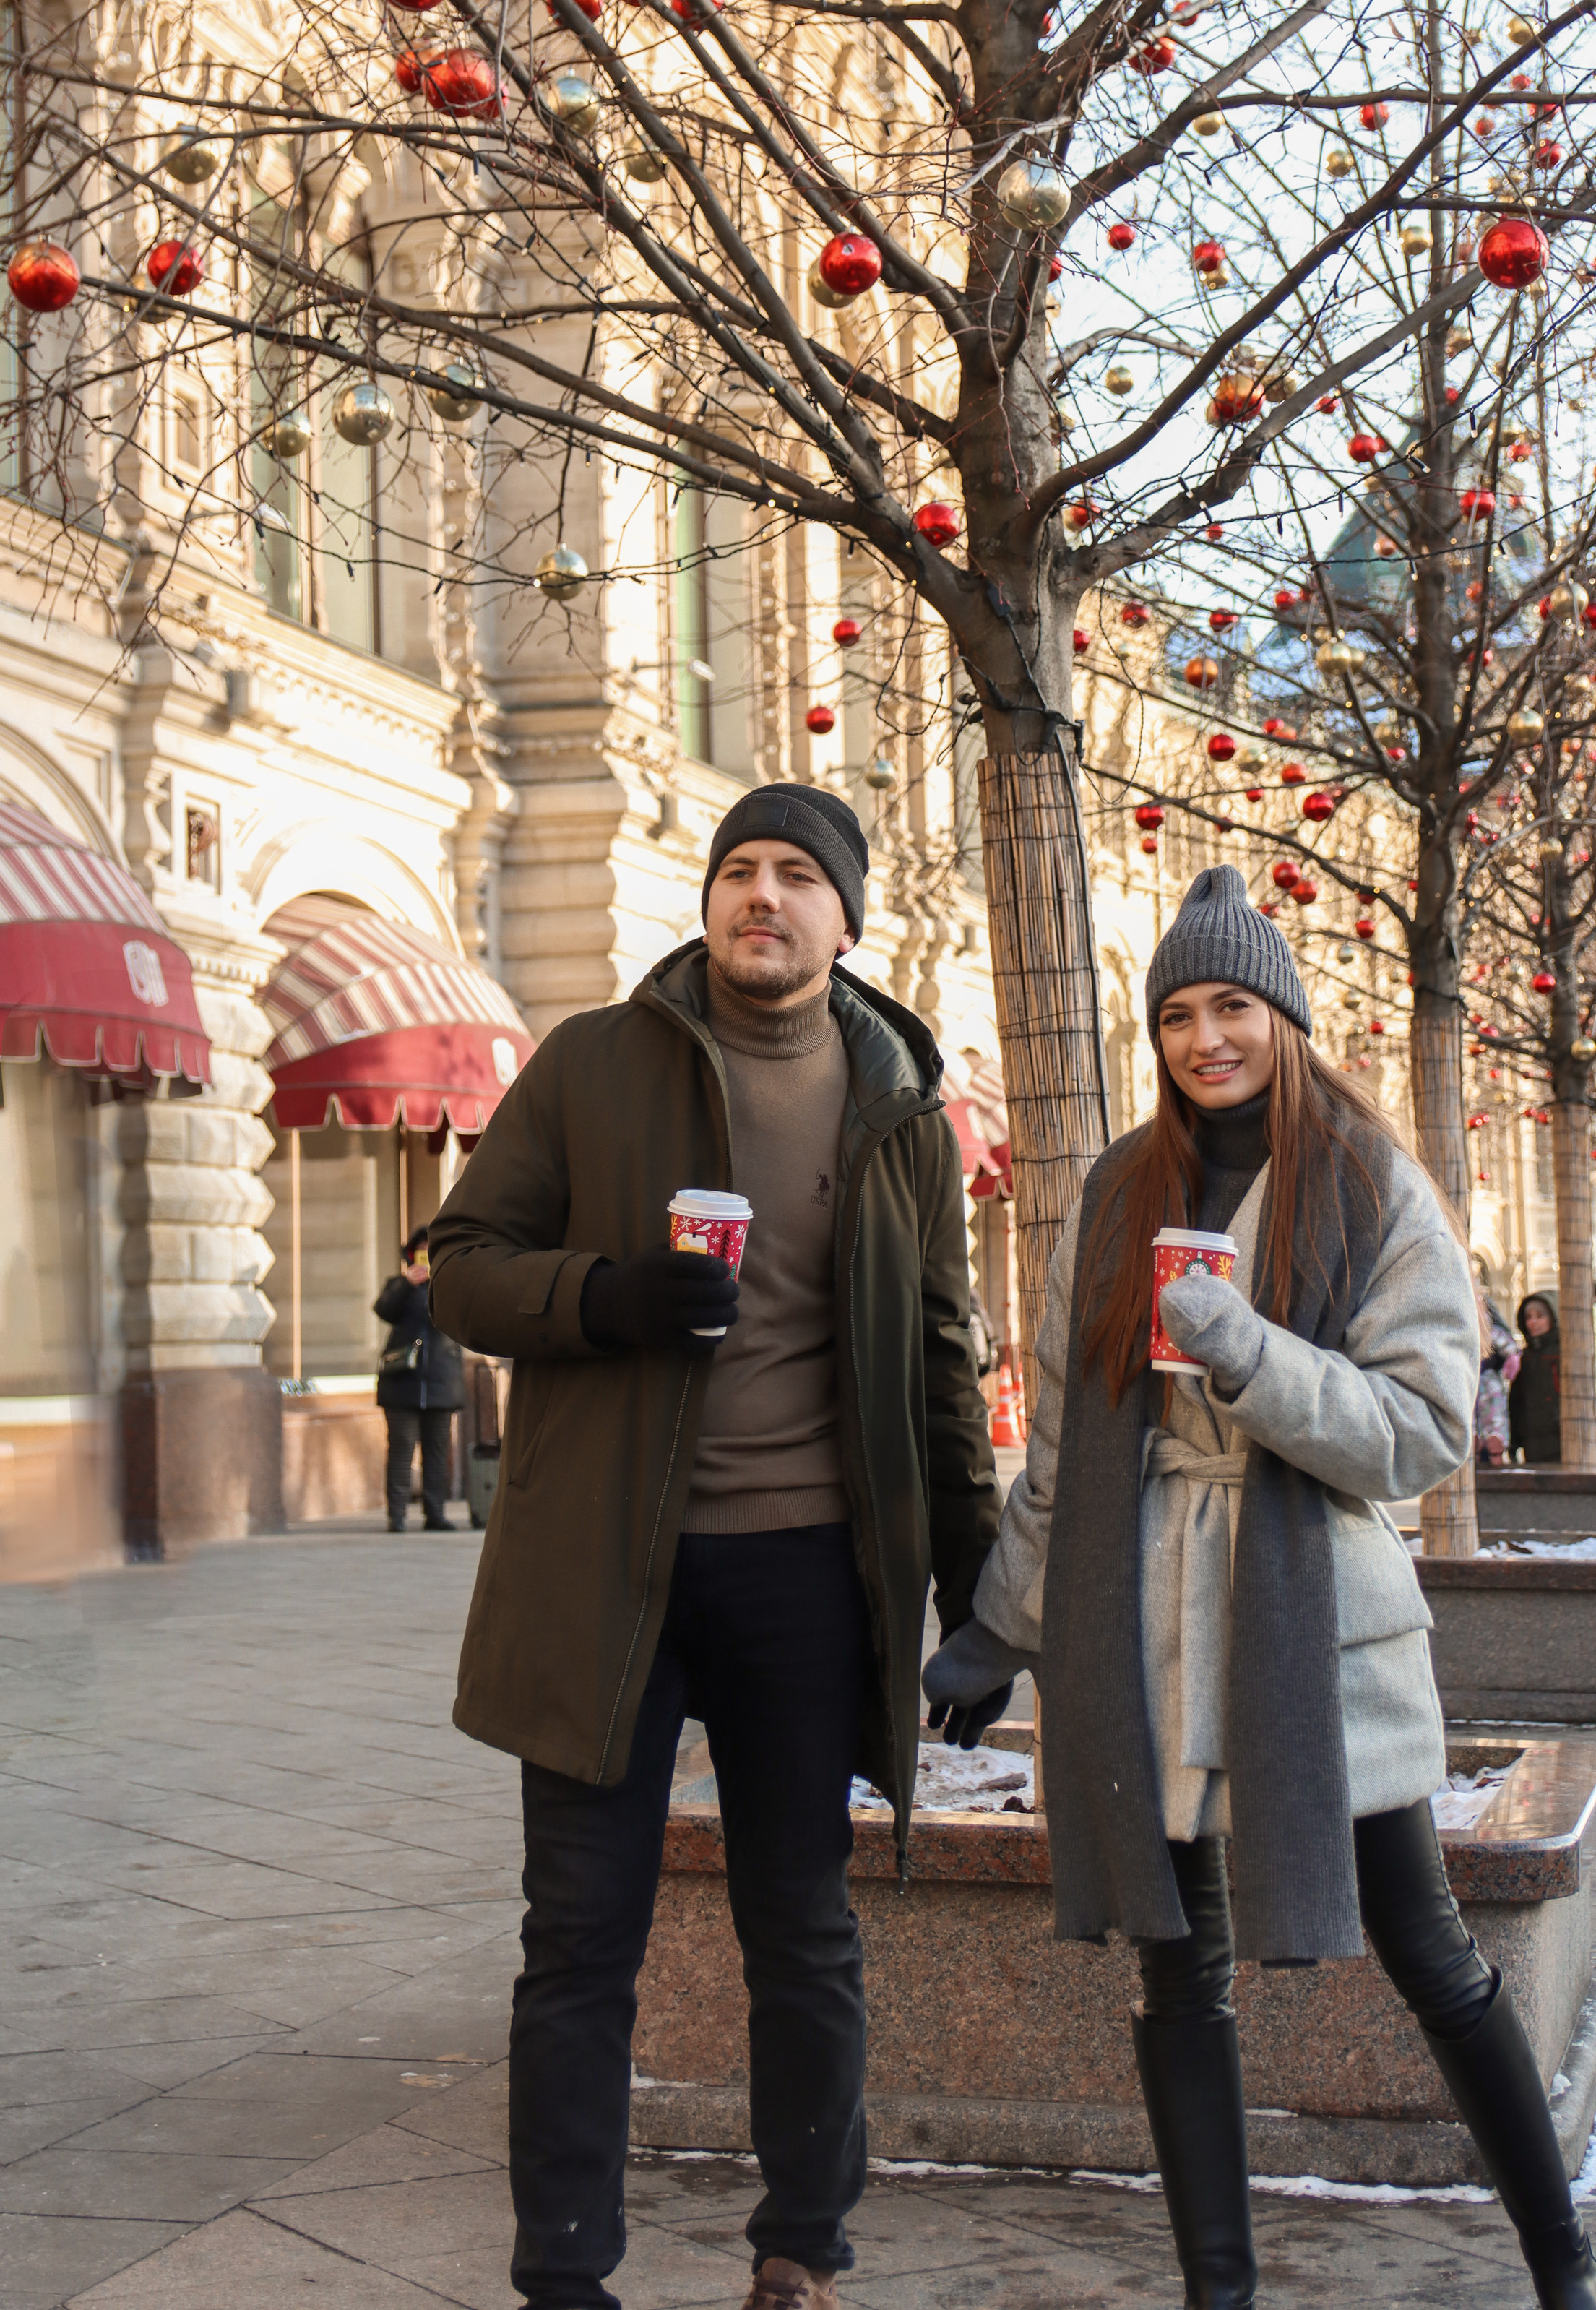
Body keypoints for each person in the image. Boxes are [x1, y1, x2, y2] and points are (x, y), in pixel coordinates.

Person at [921, 867, 1596, 2310]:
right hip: (1139, 1622)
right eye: (1174, 1013)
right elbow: (1059, 1437)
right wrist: (996, 1627)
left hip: (1319, 1623)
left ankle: (1562, 2264)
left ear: (1282, 1017)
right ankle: (1216, 2295)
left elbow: (1417, 1437)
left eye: (1229, 1005)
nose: (1201, 1039)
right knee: (1178, 1973)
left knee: (1423, 1946)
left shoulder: (1368, 1180)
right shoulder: (1121, 1188)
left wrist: (1240, 1349)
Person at [427, 782, 998, 2310]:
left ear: (843, 916)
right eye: (739, 869)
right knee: (578, 1941)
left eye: (796, 875)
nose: (763, 896)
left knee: (798, 1930)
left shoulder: (897, 1112)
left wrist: (976, 1597)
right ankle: (564, 2276)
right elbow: (461, 1270)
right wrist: (602, 1298)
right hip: (605, 1570)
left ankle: (801, 2248)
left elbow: (940, 1361)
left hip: (807, 1576)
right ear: (708, 901)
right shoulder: (591, 1063)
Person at [373, 1225, 465, 1532]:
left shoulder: (451, 1285)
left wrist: (445, 1281)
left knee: (437, 1451)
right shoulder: (399, 1286)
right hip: (403, 1382)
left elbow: (467, 1317)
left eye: (431, 1250)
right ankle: (396, 1515)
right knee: (401, 1447)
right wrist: (405, 1284)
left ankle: (435, 1513)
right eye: (420, 1250)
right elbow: (383, 1310)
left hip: (441, 1381)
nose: (425, 1256)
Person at [1508, 1294, 1563, 1464]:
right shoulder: (1525, 1356)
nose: (1533, 1323)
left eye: (1540, 1316)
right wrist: (1514, 1441)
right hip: (1532, 1437)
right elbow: (1516, 1402)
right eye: (1528, 1317)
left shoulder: (1564, 1353)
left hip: (1560, 1437)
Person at [1475, 1286, 1518, 1465]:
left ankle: (1496, 1443)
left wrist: (1513, 1357)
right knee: (1475, 1414)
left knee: (1494, 1410)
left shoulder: (1489, 1329)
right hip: (1471, 1381)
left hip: (1487, 1378)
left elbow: (1504, 1340)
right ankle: (1477, 1443)